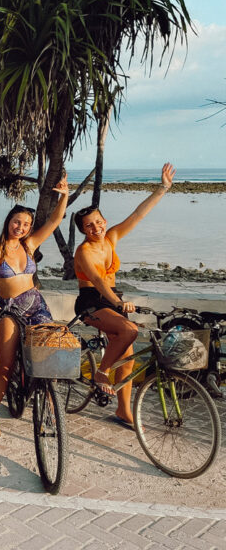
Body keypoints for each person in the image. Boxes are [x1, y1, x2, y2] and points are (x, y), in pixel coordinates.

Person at [73, 163, 176, 429]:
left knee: (128, 359)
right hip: (92, 301)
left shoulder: (111, 237)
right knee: (129, 331)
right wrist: (119, 303)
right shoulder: (84, 252)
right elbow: (96, 281)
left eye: (98, 222)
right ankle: (101, 374)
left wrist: (162, 188)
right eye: (89, 225)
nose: (96, 228)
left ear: (104, 221)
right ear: (83, 230)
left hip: (113, 299)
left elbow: (138, 214)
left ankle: (122, 410)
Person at [0, 176, 68, 438]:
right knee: (6, 366)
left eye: (26, 224)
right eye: (17, 222)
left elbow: (54, 221)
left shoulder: (29, 245)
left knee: (49, 357)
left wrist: (64, 196)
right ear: (9, 221)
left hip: (35, 303)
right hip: (8, 308)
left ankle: (51, 409)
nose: (21, 227)